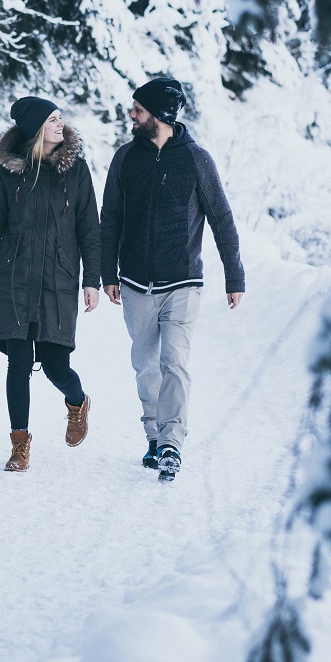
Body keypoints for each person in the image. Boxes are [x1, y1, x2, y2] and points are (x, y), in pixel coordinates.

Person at [100, 77, 244, 482]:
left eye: (138, 110)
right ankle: (152, 434)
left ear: (160, 117)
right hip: (134, 283)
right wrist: (106, 272)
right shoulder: (125, 158)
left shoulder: (197, 160)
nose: (131, 115)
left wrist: (235, 275)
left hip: (182, 283)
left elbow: (222, 218)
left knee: (174, 363)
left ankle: (171, 445)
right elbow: (109, 218)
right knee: (146, 365)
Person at [0, 96, 101, 472]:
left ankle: (77, 402)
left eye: (60, 118)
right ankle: (19, 444)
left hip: (57, 279)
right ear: (35, 129)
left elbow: (90, 230)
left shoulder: (76, 170)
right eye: (53, 119)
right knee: (18, 362)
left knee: (58, 365)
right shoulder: (10, 172)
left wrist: (90, 280)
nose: (60, 124)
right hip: (14, 277)